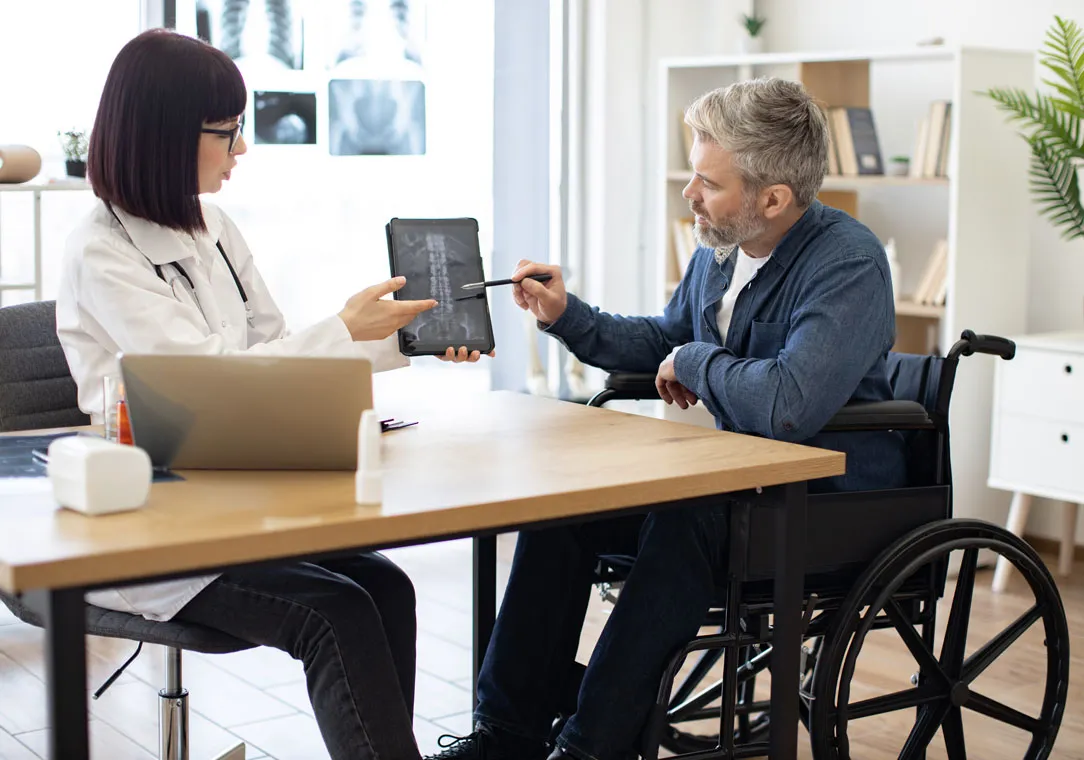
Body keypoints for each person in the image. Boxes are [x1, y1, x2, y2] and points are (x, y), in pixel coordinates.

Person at [428, 78, 907, 760]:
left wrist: (695, 360)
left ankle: (595, 747)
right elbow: (663, 341)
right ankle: (507, 733)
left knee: (689, 516)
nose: (690, 195)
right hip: (737, 482)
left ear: (772, 199)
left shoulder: (849, 263)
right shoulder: (721, 249)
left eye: (708, 183)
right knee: (564, 509)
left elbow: (787, 404)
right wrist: (568, 315)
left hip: (823, 499)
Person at [56, 28, 483, 760]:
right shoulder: (102, 248)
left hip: (234, 490)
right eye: (227, 132)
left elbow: (272, 350)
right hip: (151, 525)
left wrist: (397, 336)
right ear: (164, 135)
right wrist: (343, 332)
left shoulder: (213, 226)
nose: (242, 150)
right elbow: (207, 385)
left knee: (388, 588)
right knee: (337, 611)